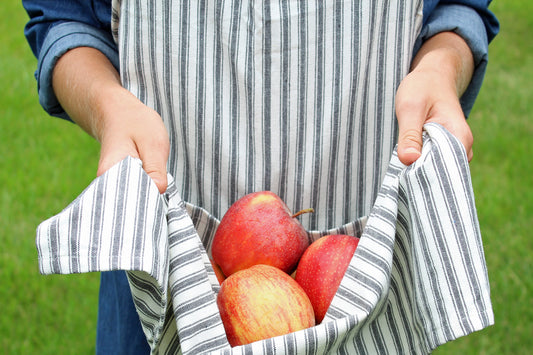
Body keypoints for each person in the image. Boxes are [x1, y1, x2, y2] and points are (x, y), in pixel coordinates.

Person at [23, 0, 499, 353]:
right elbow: (66, 18)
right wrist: (108, 107)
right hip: (161, 266)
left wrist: (440, 66)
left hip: (362, 278)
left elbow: (458, 9)